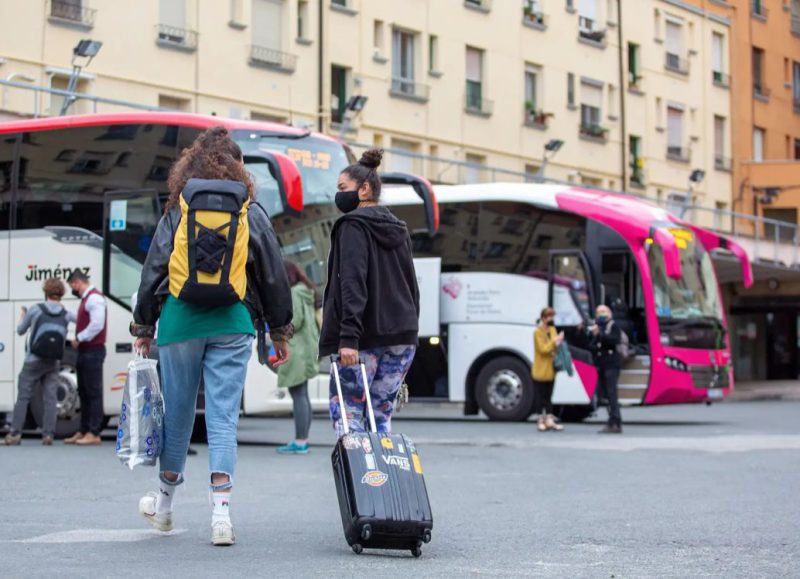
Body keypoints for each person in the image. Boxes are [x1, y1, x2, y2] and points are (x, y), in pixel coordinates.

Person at [131, 126, 293, 546]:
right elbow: (273, 272)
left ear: (189, 167)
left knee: (179, 417)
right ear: (238, 168)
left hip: (181, 322)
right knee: (223, 419)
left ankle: (164, 507)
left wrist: (144, 326)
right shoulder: (248, 210)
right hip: (232, 322)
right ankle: (221, 516)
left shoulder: (179, 209)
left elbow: (154, 269)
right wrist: (280, 329)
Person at [319, 148, 419, 435]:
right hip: (402, 336)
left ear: (364, 189)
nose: (338, 195)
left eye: (342, 188)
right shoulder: (399, 229)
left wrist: (347, 337)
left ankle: (361, 479)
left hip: (362, 338)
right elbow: (411, 286)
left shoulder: (352, 226)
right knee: (381, 416)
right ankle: (384, 477)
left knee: (349, 414)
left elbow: (352, 283)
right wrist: (411, 332)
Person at [5, 278, 73, 446]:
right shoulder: (66, 313)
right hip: (53, 361)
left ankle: (15, 434)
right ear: (61, 294)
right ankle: (48, 434)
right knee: (50, 397)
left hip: (33, 360)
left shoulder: (35, 309)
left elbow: (21, 331)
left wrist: (22, 316)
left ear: (46, 292)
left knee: (23, 396)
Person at [276, 261, 320, 455]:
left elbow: (296, 320)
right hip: (307, 346)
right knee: (303, 394)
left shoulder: (294, 292)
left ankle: (300, 441)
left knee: (298, 395)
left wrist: (278, 330)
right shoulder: (306, 290)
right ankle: (303, 439)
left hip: (297, 348)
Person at [64, 270, 107, 446]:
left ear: (77, 282)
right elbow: (85, 320)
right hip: (87, 351)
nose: (73, 289)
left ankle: (94, 432)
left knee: (93, 392)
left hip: (92, 350)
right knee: (84, 391)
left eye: (73, 286)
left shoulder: (94, 299)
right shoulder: (88, 299)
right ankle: (84, 430)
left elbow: (97, 324)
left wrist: (79, 338)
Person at [590, 304, 623, 434]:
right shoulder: (597, 327)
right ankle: (612, 421)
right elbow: (591, 345)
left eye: (604, 312)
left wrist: (601, 335)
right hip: (602, 364)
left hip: (612, 364)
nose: (601, 315)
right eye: (599, 312)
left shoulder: (613, 326)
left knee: (611, 393)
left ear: (610, 313)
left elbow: (614, 340)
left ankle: (615, 421)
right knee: (605, 395)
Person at [532, 307, 565, 432]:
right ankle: (541, 420)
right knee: (540, 396)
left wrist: (558, 342)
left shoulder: (552, 330)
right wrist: (555, 341)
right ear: (543, 318)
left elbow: (555, 347)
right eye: (549, 317)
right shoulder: (537, 332)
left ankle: (549, 420)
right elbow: (543, 349)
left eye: (552, 316)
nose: (551, 319)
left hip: (551, 368)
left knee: (549, 395)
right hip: (540, 368)